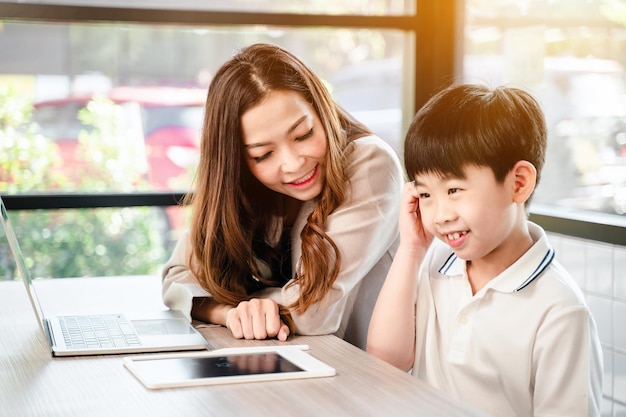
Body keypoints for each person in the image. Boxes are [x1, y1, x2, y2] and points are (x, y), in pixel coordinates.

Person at [366, 83, 603, 416]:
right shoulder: (436, 259)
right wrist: (411, 248)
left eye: (454, 189)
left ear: (518, 183)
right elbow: (385, 361)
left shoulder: (560, 311)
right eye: (426, 195)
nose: (441, 215)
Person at [162, 43, 403, 349]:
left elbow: (313, 312)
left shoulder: (369, 163)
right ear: (238, 161)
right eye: (263, 155)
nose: (292, 164)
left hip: (365, 374)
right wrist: (228, 312)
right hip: (298, 362)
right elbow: (177, 279)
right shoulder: (247, 187)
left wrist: (242, 306)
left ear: (321, 110)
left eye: (303, 135)